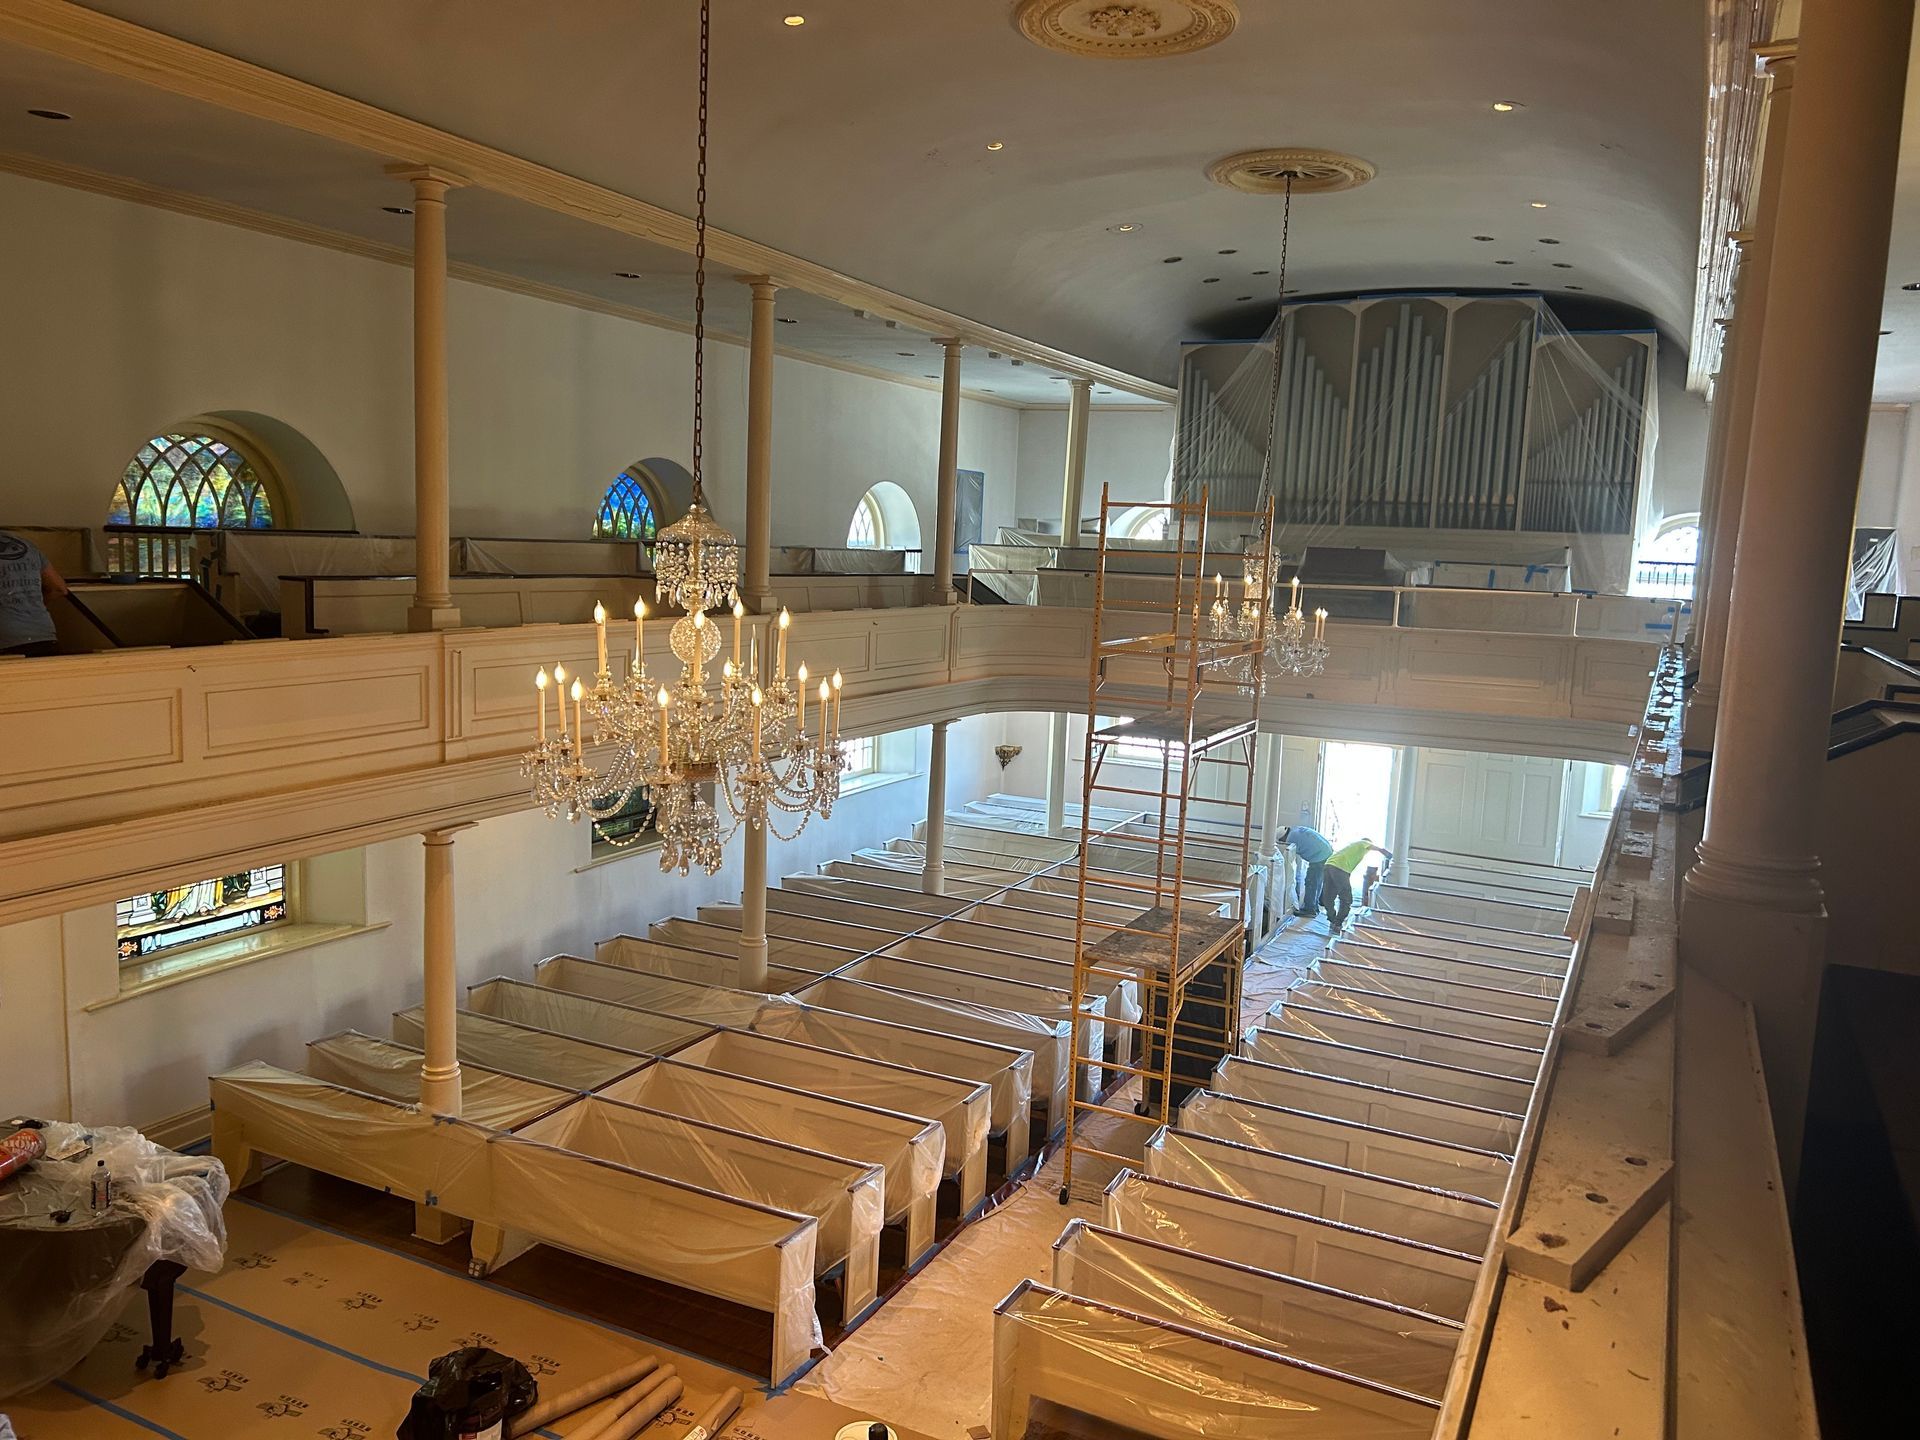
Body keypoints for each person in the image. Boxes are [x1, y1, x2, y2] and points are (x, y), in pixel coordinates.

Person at [0, 531, 67, 657]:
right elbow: (59, 588)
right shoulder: (27, 546)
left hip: (5, 641)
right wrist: (31, 605)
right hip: (43, 635)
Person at [1323, 837, 1393, 934]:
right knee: (1346, 898)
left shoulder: (1351, 846)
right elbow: (1378, 849)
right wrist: (1390, 856)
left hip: (1329, 865)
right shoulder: (1363, 842)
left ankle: (1332, 920)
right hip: (1341, 868)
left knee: (1328, 896)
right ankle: (1337, 924)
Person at [1277, 824, 1334, 917]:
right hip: (1326, 851)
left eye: (1281, 841)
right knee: (1317, 882)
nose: (1283, 842)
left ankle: (1309, 910)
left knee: (1311, 882)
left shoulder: (1291, 839)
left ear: (1283, 837)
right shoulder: (1296, 830)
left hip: (1319, 856)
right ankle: (1314, 907)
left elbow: (1289, 855)